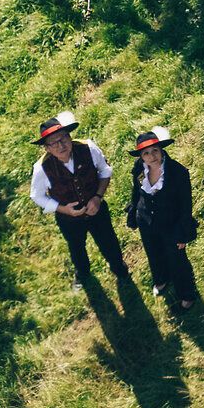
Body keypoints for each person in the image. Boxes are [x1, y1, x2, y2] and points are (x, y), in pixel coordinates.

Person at [29, 111, 131, 291]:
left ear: (69, 136)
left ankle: (120, 270)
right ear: (47, 148)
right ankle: (82, 273)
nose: (61, 146)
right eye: (54, 143)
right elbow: (36, 196)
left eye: (63, 139)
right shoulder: (41, 168)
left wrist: (98, 198)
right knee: (76, 247)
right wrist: (63, 209)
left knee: (109, 241)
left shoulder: (88, 148)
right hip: (69, 218)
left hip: (97, 209)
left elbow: (105, 171)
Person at [125, 126, 200, 310]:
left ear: (162, 150)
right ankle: (161, 280)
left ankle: (187, 294)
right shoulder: (139, 169)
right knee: (154, 253)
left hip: (171, 224)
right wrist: (134, 211)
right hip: (146, 221)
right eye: (146, 153)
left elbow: (185, 205)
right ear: (141, 156)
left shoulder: (178, 172)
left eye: (155, 151)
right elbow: (137, 191)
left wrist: (183, 233)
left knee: (177, 260)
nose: (151, 156)